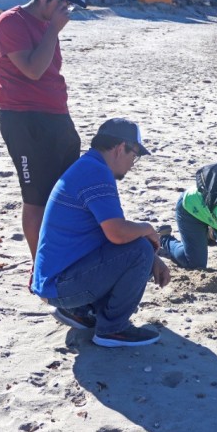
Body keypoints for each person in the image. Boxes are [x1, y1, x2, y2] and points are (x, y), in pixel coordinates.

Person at [32, 118, 170, 347]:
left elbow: (110, 235)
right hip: (61, 285)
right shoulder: (96, 172)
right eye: (133, 155)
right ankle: (112, 329)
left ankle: (79, 311)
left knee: (141, 248)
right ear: (119, 149)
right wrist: (148, 230)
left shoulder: (88, 165)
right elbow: (117, 234)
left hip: (53, 281)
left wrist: (153, 257)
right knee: (141, 249)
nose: (132, 164)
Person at [0, 0, 87, 260]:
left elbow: (48, 70)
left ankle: (62, 256)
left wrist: (51, 30)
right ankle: (40, 268)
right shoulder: (12, 22)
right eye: (63, 3)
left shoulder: (45, 24)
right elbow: (33, 70)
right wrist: (53, 31)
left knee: (66, 194)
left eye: (69, 6)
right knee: (36, 198)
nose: (65, 11)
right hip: (23, 119)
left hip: (56, 115)